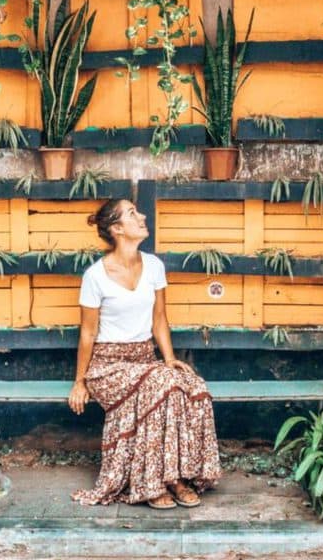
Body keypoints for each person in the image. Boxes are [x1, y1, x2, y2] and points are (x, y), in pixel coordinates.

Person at [69, 197, 221, 508]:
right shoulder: (95, 275)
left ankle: (176, 476)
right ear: (117, 229)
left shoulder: (154, 266)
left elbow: (159, 320)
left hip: (145, 363)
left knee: (191, 385)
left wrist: (169, 360)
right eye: (132, 214)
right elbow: (87, 333)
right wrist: (79, 382)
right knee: (161, 385)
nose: (141, 217)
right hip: (107, 367)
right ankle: (155, 484)